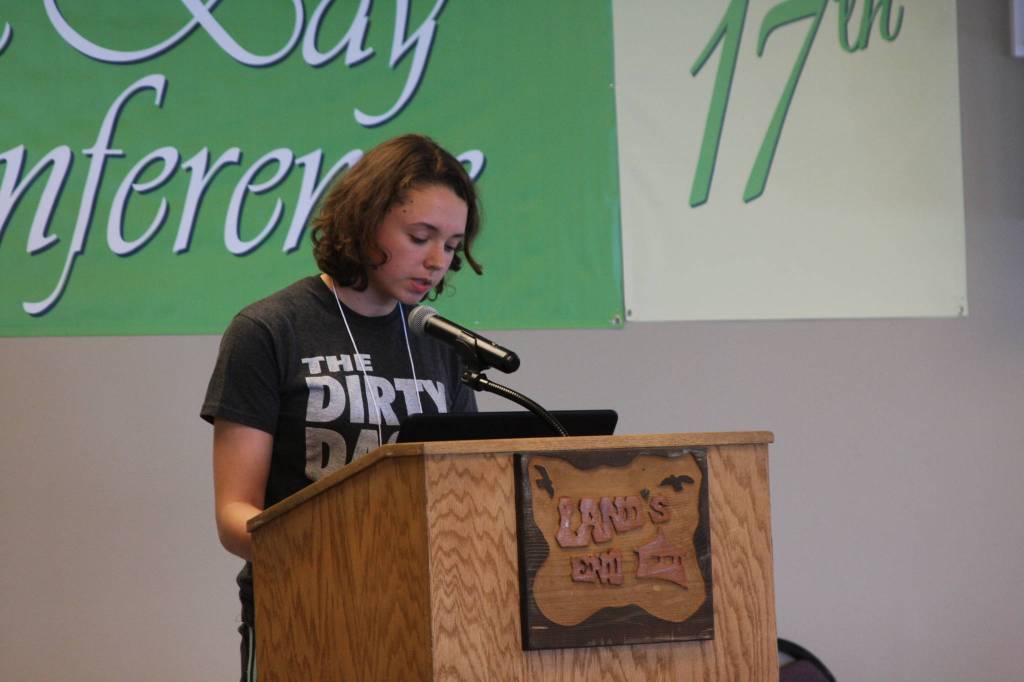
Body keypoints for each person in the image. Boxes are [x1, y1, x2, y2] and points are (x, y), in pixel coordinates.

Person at [200, 134, 483, 681]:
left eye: (450, 245)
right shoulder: (269, 330)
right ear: (363, 221)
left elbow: (463, 492)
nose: (435, 262)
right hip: (303, 610)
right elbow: (235, 514)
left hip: (427, 615)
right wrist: (337, 554)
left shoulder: (442, 343)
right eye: (419, 236)